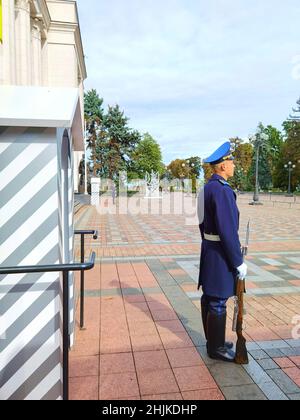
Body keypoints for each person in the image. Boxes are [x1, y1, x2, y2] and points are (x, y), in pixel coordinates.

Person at [198, 142, 247, 362]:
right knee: (217, 300)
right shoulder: (223, 190)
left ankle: (213, 342)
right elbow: (228, 230)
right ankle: (216, 348)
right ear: (222, 166)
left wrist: (209, 242)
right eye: (231, 162)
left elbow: (201, 222)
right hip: (220, 252)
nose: (234, 165)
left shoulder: (207, 187)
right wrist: (238, 261)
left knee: (209, 297)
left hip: (209, 249)